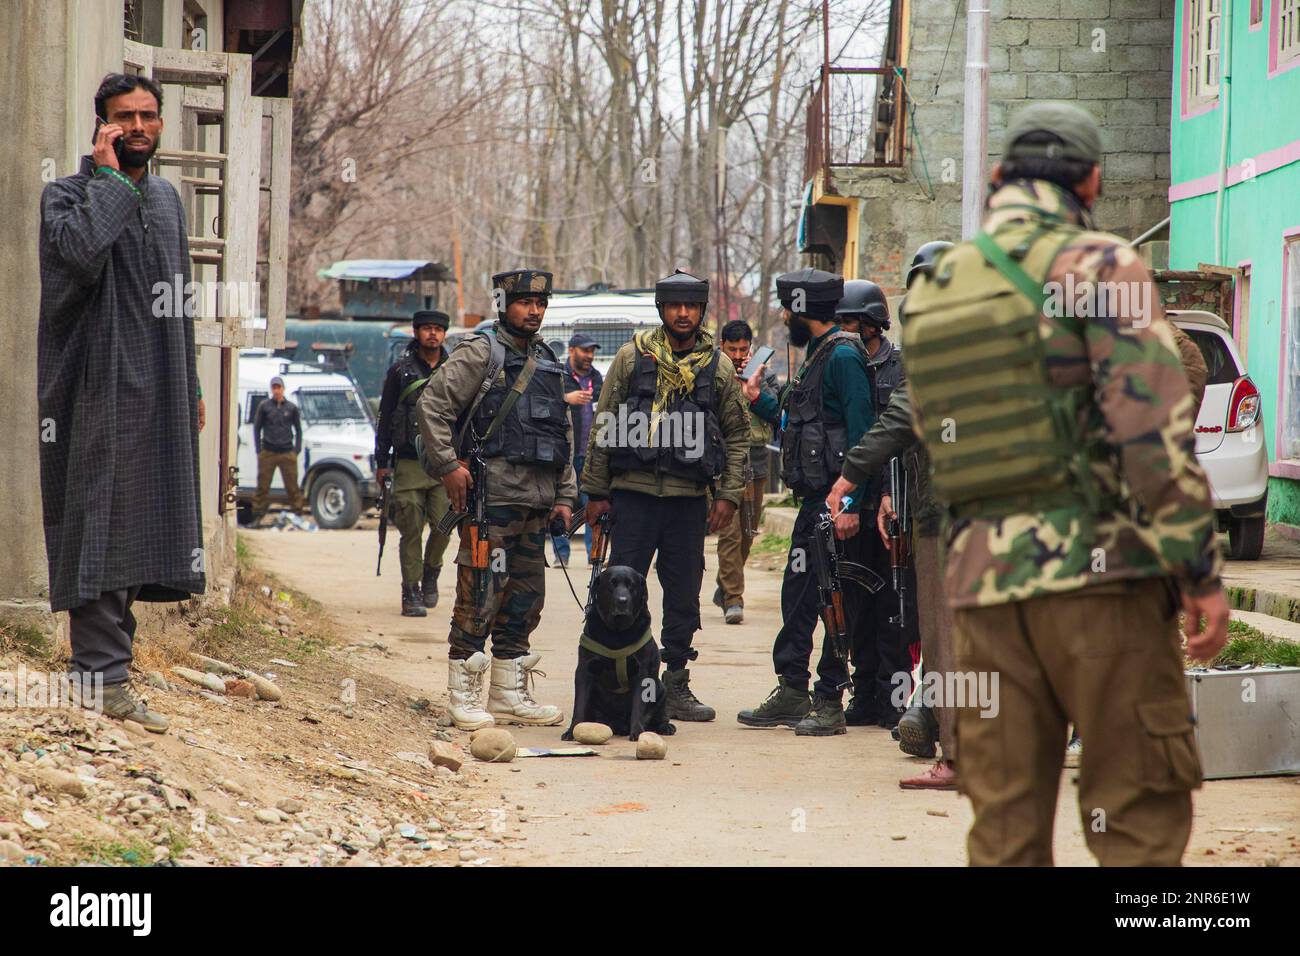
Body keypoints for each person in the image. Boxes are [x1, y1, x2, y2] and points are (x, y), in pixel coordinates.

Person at [901, 101, 1229, 865]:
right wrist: (1199, 573)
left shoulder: (937, 284)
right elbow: (1151, 439)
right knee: (1137, 823)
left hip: (982, 593)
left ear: (993, 178)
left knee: (1005, 832)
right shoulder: (1101, 265)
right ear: (1091, 180)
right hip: (1103, 585)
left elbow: (933, 429)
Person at [38, 73, 206, 733]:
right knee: (102, 519)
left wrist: (189, 381)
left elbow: (180, 300)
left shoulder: (166, 200)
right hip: (95, 386)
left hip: (159, 383)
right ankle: (98, 678)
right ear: (101, 126)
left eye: (147, 116)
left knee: (146, 519)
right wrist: (108, 181)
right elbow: (79, 258)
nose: (137, 127)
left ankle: (111, 673)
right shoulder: (67, 196)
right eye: (122, 118)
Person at [582, 270, 751, 722]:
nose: (683, 314)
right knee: (618, 589)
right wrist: (595, 493)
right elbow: (603, 424)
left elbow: (737, 436)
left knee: (683, 593)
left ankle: (674, 682)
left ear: (701, 311)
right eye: (675, 306)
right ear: (661, 309)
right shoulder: (631, 357)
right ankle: (612, 680)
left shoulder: (717, 367)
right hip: (632, 498)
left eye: (691, 307)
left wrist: (728, 495)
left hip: (687, 501)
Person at [417, 269, 575, 730]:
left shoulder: (547, 358)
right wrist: (448, 466)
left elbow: (559, 432)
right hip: (491, 503)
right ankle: (462, 694)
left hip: (536, 503)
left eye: (541, 303)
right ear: (504, 303)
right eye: (525, 301)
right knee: (479, 595)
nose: (534, 310)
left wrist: (566, 495)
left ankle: (508, 694)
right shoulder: (482, 352)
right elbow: (433, 406)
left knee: (526, 600)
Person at [736, 269, 876, 737]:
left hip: (835, 503)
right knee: (797, 597)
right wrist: (760, 402)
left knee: (834, 599)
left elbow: (864, 435)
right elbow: (798, 425)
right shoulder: (817, 356)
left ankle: (830, 698)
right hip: (812, 502)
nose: (782, 316)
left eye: (786, 308)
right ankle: (792, 689)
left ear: (801, 311)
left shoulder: (843, 357)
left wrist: (851, 502)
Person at [832, 280, 916, 730]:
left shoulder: (901, 368)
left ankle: (895, 700)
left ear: (871, 324)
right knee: (856, 608)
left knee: (894, 611)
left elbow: (896, 440)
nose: (844, 330)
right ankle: (864, 694)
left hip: (891, 503)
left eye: (851, 322)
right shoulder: (841, 363)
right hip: (853, 504)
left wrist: (887, 494)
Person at [375, 310, 452, 616]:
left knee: (445, 526)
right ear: (416, 332)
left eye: (438, 329)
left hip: (445, 462)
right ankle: (411, 591)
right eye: (427, 329)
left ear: (444, 334)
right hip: (408, 462)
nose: (432, 334)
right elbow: (385, 417)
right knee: (410, 530)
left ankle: (431, 570)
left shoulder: (454, 369)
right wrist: (382, 462)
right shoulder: (399, 372)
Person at [712, 319, 777, 625]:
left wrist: (754, 387)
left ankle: (724, 584)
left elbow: (776, 410)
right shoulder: (712, 373)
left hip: (758, 459)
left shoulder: (765, 375)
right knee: (731, 532)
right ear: (721, 346)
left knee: (749, 532)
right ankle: (733, 597)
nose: (738, 355)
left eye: (743, 349)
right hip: (727, 462)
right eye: (731, 349)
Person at [552, 332, 602, 567]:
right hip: (566, 455)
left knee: (594, 505)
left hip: (592, 456)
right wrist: (565, 399)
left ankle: (595, 555)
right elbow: (545, 404)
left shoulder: (598, 378)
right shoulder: (559, 377)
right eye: (585, 350)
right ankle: (561, 555)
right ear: (571, 351)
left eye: (591, 351)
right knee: (564, 504)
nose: (589, 356)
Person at [251, 376, 305, 522]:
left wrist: (296, 450)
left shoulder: (291, 408)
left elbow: (299, 430)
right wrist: (258, 450)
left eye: (278, 387)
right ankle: (257, 516)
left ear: (283, 388)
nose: (276, 390)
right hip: (268, 451)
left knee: (292, 486)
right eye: (274, 387)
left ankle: (298, 514)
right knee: (262, 486)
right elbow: (257, 428)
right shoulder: (265, 406)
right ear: (271, 389)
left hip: (287, 452)